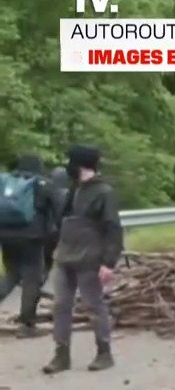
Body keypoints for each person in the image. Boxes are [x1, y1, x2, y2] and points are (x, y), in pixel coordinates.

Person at [43, 146, 123, 374]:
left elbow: (113, 229)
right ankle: (61, 355)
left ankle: (104, 352)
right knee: (61, 305)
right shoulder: (73, 190)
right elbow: (63, 223)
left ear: (79, 164)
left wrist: (108, 263)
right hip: (65, 256)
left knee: (94, 305)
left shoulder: (104, 192)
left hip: (90, 258)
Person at [0, 154, 59, 338]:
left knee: (11, 275)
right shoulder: (43, 184)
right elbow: (58, 211)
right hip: (31, 238)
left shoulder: (6, 182)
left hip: (5, 236)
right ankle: (27, 325)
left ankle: (26, 322)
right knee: (32, 278)